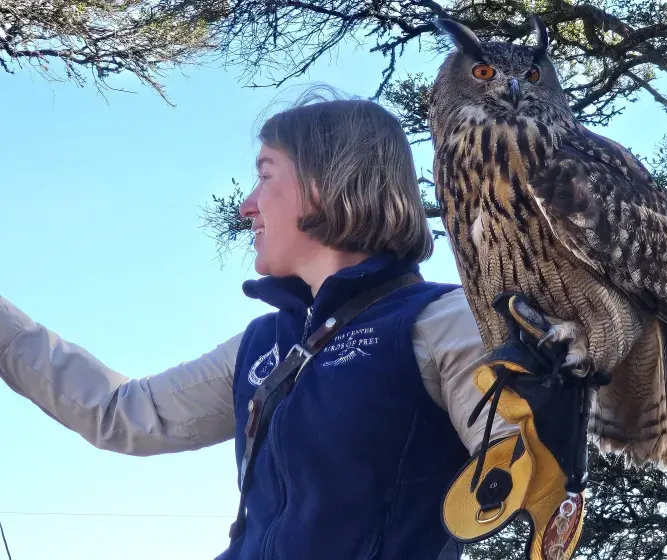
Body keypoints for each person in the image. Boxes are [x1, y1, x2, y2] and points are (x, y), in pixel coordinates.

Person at [0, 93, 515, 559]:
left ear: (326, 182)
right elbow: (123, 412)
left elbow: (522, 466)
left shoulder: (443, 322)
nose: (248, 205)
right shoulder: (262, 344)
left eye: (265, 176)